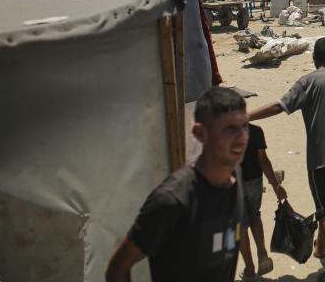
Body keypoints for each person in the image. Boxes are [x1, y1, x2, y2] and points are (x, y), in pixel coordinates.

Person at [105, 87, 248, 282]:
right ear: (200, 134)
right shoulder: (172, 199)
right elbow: (117, 269)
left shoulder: (236, 177)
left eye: (244, 126)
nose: (242, 137)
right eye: (229, 129)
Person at [248, 38, 325, 282]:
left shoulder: (307, 82)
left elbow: (280, 106)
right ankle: (321, 247)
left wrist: (246, 115)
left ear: (313, 58)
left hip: (321, 158)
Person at [237, 123, 287, 280]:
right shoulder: (256, 131)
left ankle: (250, 268)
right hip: (255, 182)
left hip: (233, 184)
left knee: (240, 226)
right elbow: (263, 160)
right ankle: (262, 252)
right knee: (255, 215)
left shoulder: (224, 131)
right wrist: (275, 185)